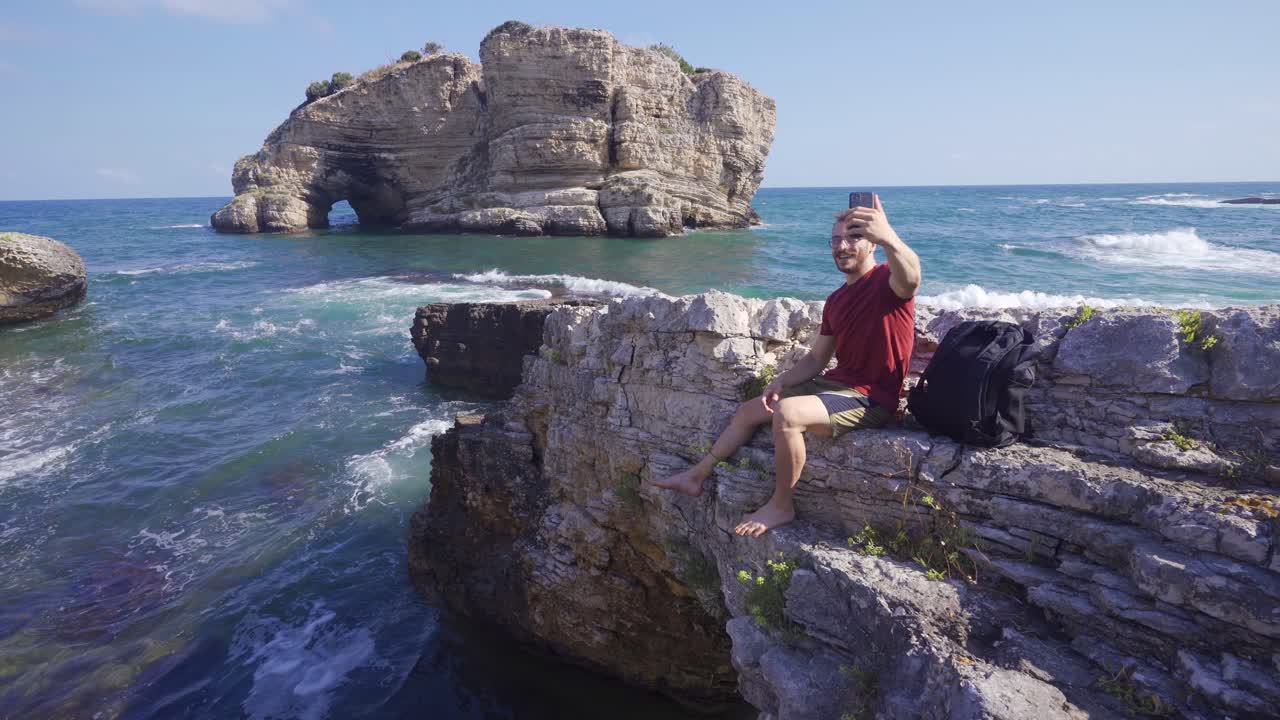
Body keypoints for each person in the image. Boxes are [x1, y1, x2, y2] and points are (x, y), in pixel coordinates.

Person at [652, 194, 921, 537]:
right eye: (836, 239)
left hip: (871, 396)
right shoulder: (836, 300)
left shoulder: (888, 282)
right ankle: (696, 476)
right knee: (748, 411)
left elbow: (911, 277)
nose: (843, 246)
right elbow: (816, 358)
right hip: (836, 385)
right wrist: (781, 381)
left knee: (788, 415)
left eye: (854, 238)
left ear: (872, 244)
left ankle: (781, 505)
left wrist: (889, 236)